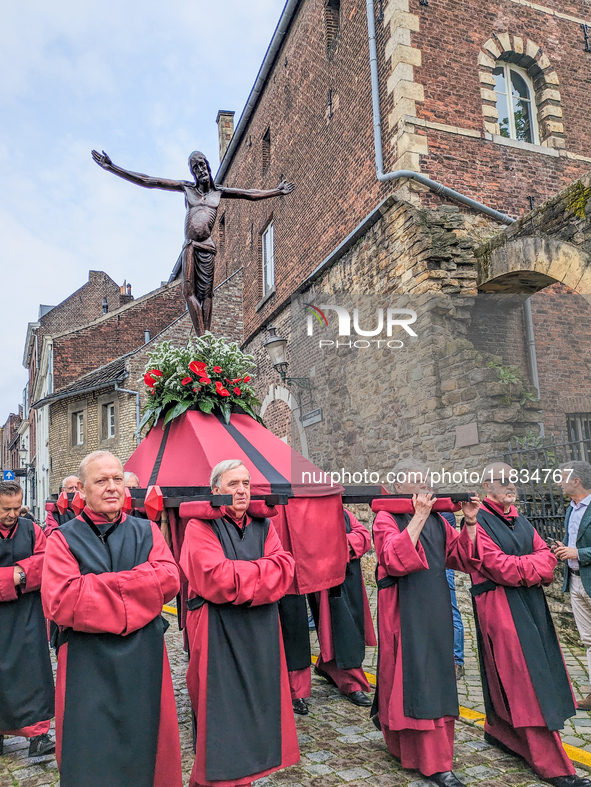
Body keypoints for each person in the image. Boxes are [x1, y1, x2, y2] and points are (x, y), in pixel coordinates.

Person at [41, 450, 182, 787]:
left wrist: (98, 588)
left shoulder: (147, 530)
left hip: (144, 656)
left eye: (117, 479)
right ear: (82, 491)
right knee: (92, 754)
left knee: (148, 747)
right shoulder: (62, 539)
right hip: (86, 664)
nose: (112, 487)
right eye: (100, 480)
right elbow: (63, 600)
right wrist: (136, 583)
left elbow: (169, 579)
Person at [180, 459, 299, 787]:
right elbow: (215, 579)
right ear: (216, 490)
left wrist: (244, 574)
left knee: (258, 713)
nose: (242, 490)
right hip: (217, 631)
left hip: (259, 632)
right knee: (221, 716)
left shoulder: (264, 526)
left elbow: (286, 568)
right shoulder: (199, 527)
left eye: (246, 483)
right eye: (234, 484)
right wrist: (263, 572)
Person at [471, 462, 587, 787]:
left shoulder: (519, 519)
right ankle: (554, 765)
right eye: (504, 481)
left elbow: (548, 556)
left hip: (531, 605)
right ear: (486, 487)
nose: (511, 486)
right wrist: (530, 567)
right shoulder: (476, 522)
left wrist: (527, 567)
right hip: (499, 609)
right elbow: (498, 566)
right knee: (524, 679)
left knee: (536, 671)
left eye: (514, 480)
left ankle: (500, 733)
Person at [92, 149, 294, 335]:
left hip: (207, 247)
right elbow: (149, 181)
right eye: (195, 168)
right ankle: (201, 338)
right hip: (190, 246)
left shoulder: (218, 192)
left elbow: (250, 194)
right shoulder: (187, 188)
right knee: (188, 292)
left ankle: (207, 339)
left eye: (202, 165)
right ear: (193, 173)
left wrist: (277, 191)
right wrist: (112, 167)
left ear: (207, 166)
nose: (200, 170)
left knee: (207, 295)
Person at [373, 459, 479, 787]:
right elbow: (392, 557)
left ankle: (436, 758)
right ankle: (412, 752)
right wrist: (418, 516)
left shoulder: (437, 520)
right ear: (398, 488)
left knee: (434, 677)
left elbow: (461, 557)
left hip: (434, 609)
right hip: (403, 609)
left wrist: (471, 524)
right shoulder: (385, 518)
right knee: (408, 677)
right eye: (418, 484)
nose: (426, 491)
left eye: (428, 484)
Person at [0, 480, 55, 758]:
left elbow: (47, 562)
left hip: (28, 615)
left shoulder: (32, 530)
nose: (11, 515)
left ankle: (38, 736)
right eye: (5, 509)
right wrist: (12, 579)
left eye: (15, 508)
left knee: (33, 673)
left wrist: (18, 574)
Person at [310, 507, 376, 707]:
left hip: (350, 578)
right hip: (325, 579)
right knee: (339, 627)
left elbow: (363, 536)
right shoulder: (309, 513)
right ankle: (351, 681)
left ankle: (326, 665)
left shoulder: (344, 512)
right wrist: (337, 544)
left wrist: (342, 543)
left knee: (350, 625)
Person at [555, 460, 591, 711]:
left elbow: (578, 549)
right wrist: (562, 549)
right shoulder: (570, 508)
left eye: (562, 477)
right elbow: (571, 542)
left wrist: (577, 552)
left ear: (576, 481)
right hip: (576, 581)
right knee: (588, 641)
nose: (559, 482)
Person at [440, 511, 466, 680]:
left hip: (444, 564)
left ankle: (457, 660)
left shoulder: (445, 513)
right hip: (427, 563)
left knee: (451, 609)